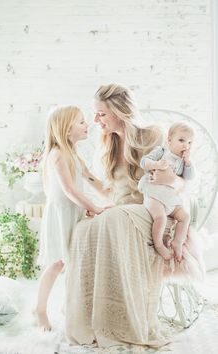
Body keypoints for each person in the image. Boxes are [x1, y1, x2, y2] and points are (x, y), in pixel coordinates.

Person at [64, 84, 204, 349]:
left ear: (119, 111)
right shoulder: (108, 145)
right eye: (95, 114)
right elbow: (114, 194)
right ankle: (95, 318)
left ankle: (126, 321)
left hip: (157, 210)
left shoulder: (153, 136)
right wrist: (88, 188)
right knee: (85, 226)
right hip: (125, 212)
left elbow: (183, 184)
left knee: (115, 219)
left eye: (101, 114)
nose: (96, 121)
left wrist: (170, 178)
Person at [34, 105, 108, 331]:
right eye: (82, 122)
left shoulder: (74, 154)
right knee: (57, 263)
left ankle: (70, 305)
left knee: (74, 262)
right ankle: (39, 309)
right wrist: (93, 207)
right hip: (60, 215)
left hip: (73, 212)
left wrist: (111, 195)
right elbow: (69, 190)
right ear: (67, 130)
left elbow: (91, 179)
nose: (88, 125)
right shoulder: (57, 155)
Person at [138, 122, 195, 262]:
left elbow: (189, 177)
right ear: (169, 140)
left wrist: (188, 162)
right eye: (181, 140)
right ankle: (158, 245)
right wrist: (156, 164)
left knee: (185, 216)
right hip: (154, 194)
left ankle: (178, 242)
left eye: (189, 142)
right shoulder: (162, 151)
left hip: (170, 198)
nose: (185, 146)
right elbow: (144, 162)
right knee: (161, 218)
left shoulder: (183, 161)